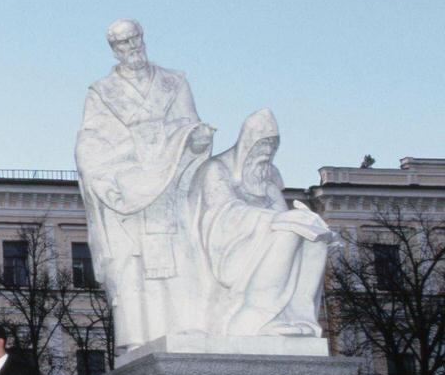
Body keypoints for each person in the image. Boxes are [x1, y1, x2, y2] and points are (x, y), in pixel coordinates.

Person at [74, 18, 214, 350]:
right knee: (133, 266)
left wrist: (196, 139)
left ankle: (187, 330)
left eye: (135, 39)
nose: (132, 47)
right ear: (114, 49)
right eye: (123, 43)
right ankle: (140, 340)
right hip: (128, 193)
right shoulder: (102, 92)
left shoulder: (173, 82)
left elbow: (188, 123)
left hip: (170, 190)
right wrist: (115, 169)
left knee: (180, 258)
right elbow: (89, 142)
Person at [191, 108, 333, 336]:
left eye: (271, 146)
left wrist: (302, 219)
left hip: (261, 238)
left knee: (314, 238)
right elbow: (223, 213)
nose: (266, 152)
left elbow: (279, 209)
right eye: (262, 145)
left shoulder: (268, 174)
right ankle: (255, 316)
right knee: (287, 233)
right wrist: (275, 219)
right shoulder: (217, 169)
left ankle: (299, 317)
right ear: (248, 143)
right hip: (227, 249)